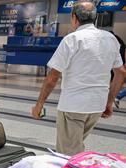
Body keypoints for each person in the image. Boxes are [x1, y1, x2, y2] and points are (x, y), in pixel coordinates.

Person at [32, 1, 126, 156]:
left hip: (74, 106)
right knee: (76, 146)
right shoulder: (110, 39)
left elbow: (53, 77)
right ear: (95, 17)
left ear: (74, 18)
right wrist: (109, 102)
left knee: (67, 154)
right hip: (97, 105)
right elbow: (121, 72)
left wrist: (39, 105)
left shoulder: (72, 39)